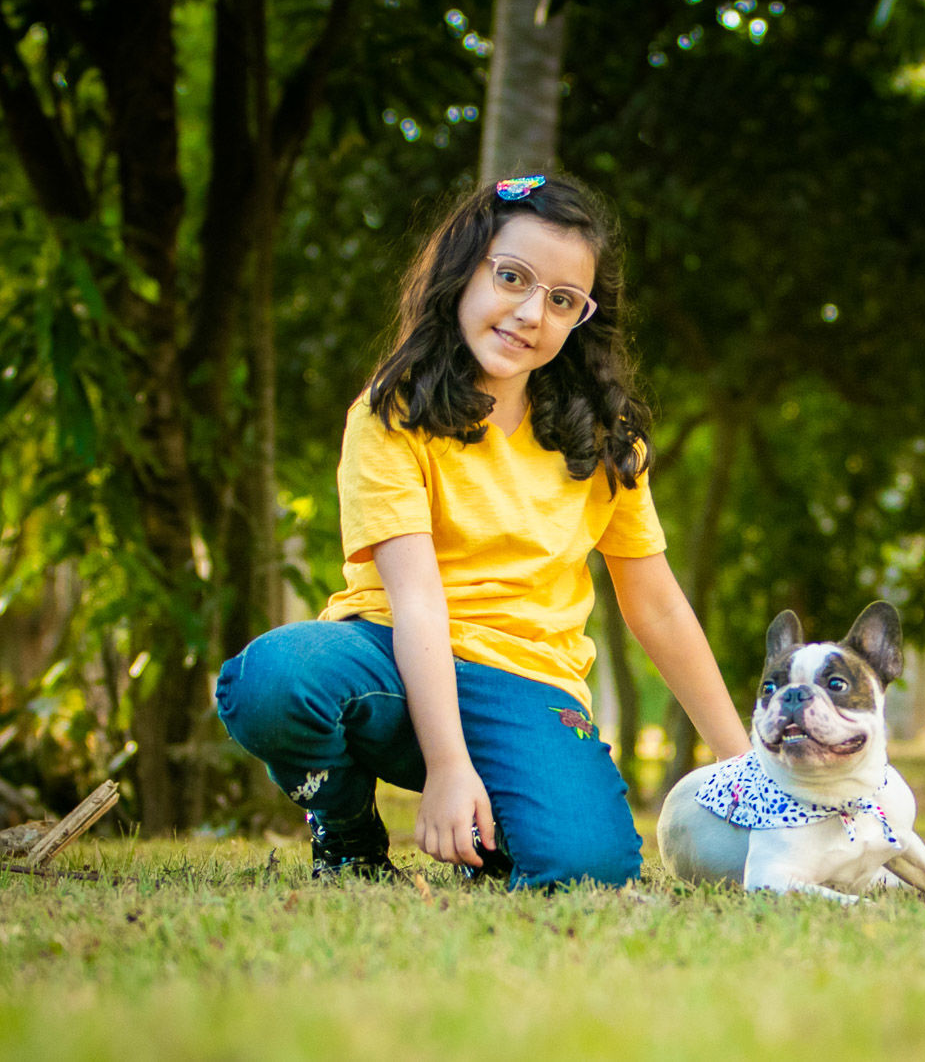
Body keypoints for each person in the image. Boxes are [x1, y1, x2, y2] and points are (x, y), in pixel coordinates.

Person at [217, 173, 750, 889]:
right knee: (272, 682)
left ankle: (495, 836)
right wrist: (445, 764)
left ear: (581, 318)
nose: (532, 312)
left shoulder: (607, 440)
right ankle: (346, 833)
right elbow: (417, 601)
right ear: (463, 270)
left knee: (586, 870)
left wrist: (743, 764)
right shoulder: (390, 416)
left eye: (562, 300)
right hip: (390, 661)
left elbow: (655, 605)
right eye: (512, 276)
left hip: (529, 682)